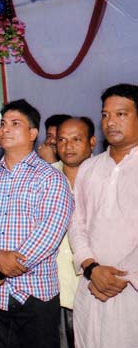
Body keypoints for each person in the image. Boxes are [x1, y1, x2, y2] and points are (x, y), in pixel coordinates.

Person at [0, 99, 74, 348]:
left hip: (36, 292)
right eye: (2, 124)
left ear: (33, 133)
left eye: (15, 124)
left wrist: (0, 270)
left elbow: (49, 232)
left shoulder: (50, 178)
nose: (5, 129)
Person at [68, 84, 138, 348]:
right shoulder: (89, 167)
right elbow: (77, 221)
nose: (111, 122)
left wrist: (121, 277)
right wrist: (91, 267)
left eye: (121, 114)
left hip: (130, 287)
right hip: (92, 284)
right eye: (106, 115)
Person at [53, 117, 96, 348]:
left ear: (92, 142)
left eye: (76, 139)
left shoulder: (105, 176)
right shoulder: (45, 177)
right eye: (62, 140)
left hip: (95, 286)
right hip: (55, 289)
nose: (68, 146)